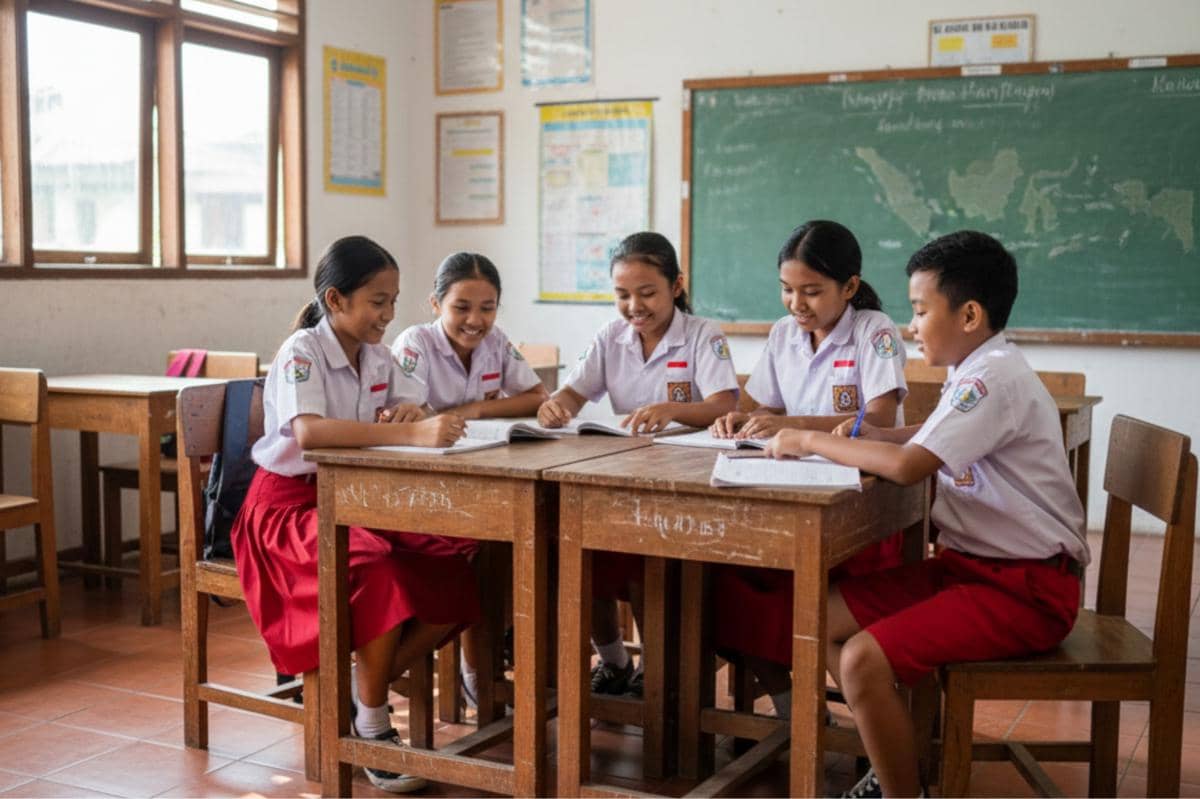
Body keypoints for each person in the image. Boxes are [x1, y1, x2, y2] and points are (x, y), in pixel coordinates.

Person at [762, 230, 1089, 798]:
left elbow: (911, 465)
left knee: (862, 658)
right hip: (970, 571)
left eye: (919, 310)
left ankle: (902, 789)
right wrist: (879, 433)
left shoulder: (992, 379)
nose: (910, 326)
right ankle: (897, 756)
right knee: (820, 614)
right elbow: (925, 436)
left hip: (1026, 590)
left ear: (968, 314)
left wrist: (810, 442)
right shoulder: (978, 370)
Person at [231, 235, 480, 793]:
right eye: (377, 301)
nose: (388, 315)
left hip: (357, 502)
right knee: (376, 567)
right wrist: (413, 431)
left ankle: (355, 681)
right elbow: (311, 433)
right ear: (336, 298)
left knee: (457, 563)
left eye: (394, 301)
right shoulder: (303, 350)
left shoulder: (377, 356)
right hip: (287, 510)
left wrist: (414, 409)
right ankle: (370, 726)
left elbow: (413, 399)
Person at [708, 220, 908, 720]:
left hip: (860, 510)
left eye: (812, 292)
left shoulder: (873, 330)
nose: (797, 304)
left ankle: (881, 730)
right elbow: (758, 404)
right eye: (787, 290)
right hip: (790, 501)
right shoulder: (783, 334)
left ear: (850, 287)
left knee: (811, 590)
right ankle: (795, 710)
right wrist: (738, 418)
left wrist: (791, 424)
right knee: (725, 582)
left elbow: (878, 420)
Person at [537, 231, 739, 695]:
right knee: (576, 555)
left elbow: (724, 403)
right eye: (622, 295)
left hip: (689, 483)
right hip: (622, 476)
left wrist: (672, 409)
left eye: (647, 292)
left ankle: (664, 666)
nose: (634, 306)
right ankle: (613, 661)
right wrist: (557, 406)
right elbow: (573, 390)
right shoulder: (611, 337)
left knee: (646, 568)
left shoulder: (702, 335)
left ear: (677, 285)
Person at [391, 251, 549, 710]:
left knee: (513, 549)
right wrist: (446, 415)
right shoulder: (414, 344)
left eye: (488, 307)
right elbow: (409, 415)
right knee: (482, 555)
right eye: (462, 307)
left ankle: (483, 666)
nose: (475, 320)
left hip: (478, 482)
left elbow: (537, 396)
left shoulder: (497, 342)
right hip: (423, 489)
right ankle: (476, 668)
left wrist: (474, 409)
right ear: (435, 303)